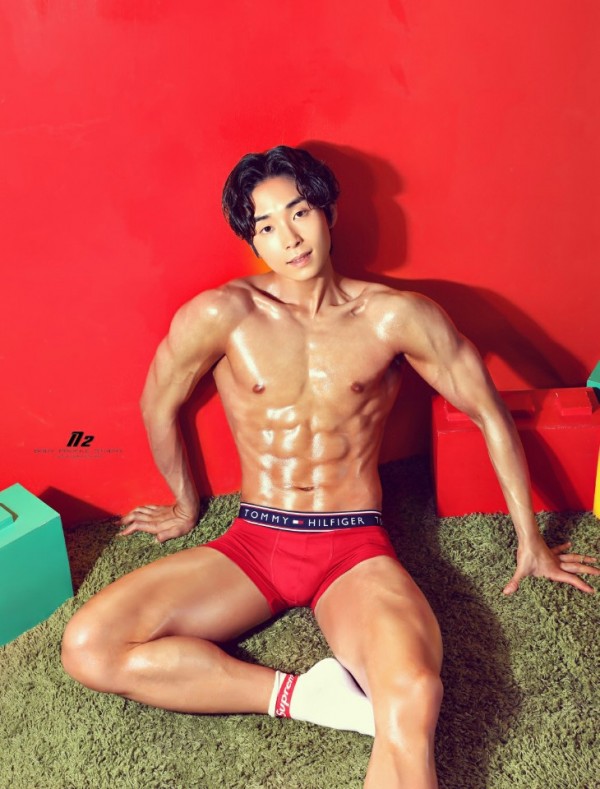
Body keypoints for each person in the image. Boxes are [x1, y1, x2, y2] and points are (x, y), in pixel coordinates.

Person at [61, 145, 598, 789]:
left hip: (352, 546)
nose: (288, 238)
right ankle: (303, 697)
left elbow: (488, 412)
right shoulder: (223, 314)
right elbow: (158, 401)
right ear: (251, 239)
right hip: (253, 541)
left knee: (414, 692)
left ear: (328, 212)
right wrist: (185, 503)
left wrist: (530, 539)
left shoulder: (395, 316)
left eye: (299, 212)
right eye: (266, 226)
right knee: (88, 647)